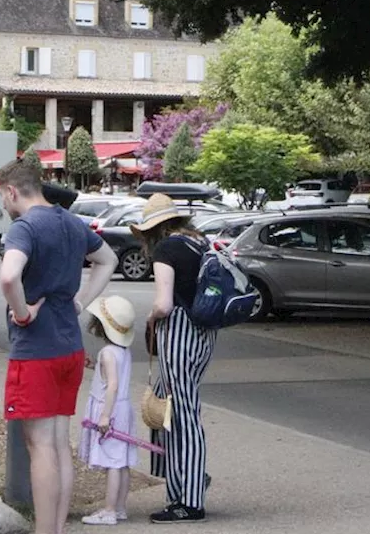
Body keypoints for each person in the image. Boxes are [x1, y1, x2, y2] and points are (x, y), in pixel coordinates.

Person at [0, 158, 118, 534]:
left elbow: (8, 276)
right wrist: (80, 300)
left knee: (40, 446)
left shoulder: (25, 227)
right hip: (69, 346)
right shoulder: (71, 222)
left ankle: (44, 529)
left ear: (12, 191)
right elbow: (108, 259)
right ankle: (58, 527)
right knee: (59, 441)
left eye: (3, 198)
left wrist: (22, 313)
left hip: (36, 351)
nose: (4, 205)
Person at [135, 194, 217, 524]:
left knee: (181, 415)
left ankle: (189, 499)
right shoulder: (199, 242)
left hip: (179, 332)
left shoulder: (165, 250)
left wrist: (151, 319)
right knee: (171, 408)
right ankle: (186, 478)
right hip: (204, 333)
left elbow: (164, 304)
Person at [78, 295, 138, 526]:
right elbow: (114, 377)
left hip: (110, 410)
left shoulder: (107, 353)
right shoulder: (123, 351)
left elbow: (111, 385)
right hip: (124, 409)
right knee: (121, 461)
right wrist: (96, 367)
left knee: (111, 461)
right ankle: (120, 507)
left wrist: (104, 415)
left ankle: (109, 510)